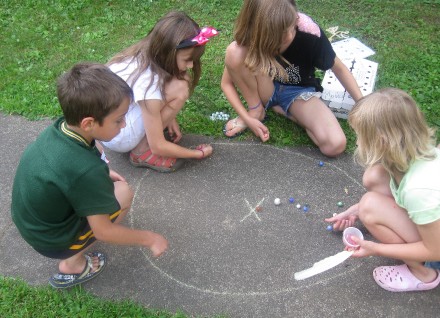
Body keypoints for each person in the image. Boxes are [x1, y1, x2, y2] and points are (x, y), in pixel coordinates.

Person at [11, 63, 168, 289]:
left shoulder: (60, 129)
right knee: (122, 193)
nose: (124, 124)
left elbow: (75, 167)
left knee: (102, 159)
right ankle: (72, 264)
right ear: (89, 123)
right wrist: (150, 238)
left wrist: (100, 170)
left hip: (30, 221)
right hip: (49, 240)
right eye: (118, 119)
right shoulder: (85, 171)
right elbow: (104, 232)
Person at [325, 88, 440, 292]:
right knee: (374, 177)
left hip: (436, 253)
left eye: (360, 135)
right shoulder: (414, 155)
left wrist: (375, 249)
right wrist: (355, 210)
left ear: (381, 142)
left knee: (370, 206)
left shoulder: (418, 189)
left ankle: (424, 274)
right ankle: (388, 223)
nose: (357, 141)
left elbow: (435, 250)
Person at [221, 0, 363, 157]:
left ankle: (282, 109)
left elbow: (339, 68)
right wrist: (248, 118)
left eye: (291, 28)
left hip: (298, 92)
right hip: (263, 87)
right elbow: (226, 83)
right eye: (280, 37)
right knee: (234, 51)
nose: (288, 36)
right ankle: (257, 110)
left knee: (334, 144)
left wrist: (363, 105)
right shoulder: (251, 36)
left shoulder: (310, 33)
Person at [101, 11, 218, 172]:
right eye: (187, 60)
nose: (191, 65)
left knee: (178, 81)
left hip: (107, 126)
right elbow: (158, 146)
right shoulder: (148, 83)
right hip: (120, 136)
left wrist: (169, 118)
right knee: (181, 85)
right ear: (168, 53)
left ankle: (149, 130)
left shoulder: (143, 54)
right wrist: (195, 154)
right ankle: (141, 152)